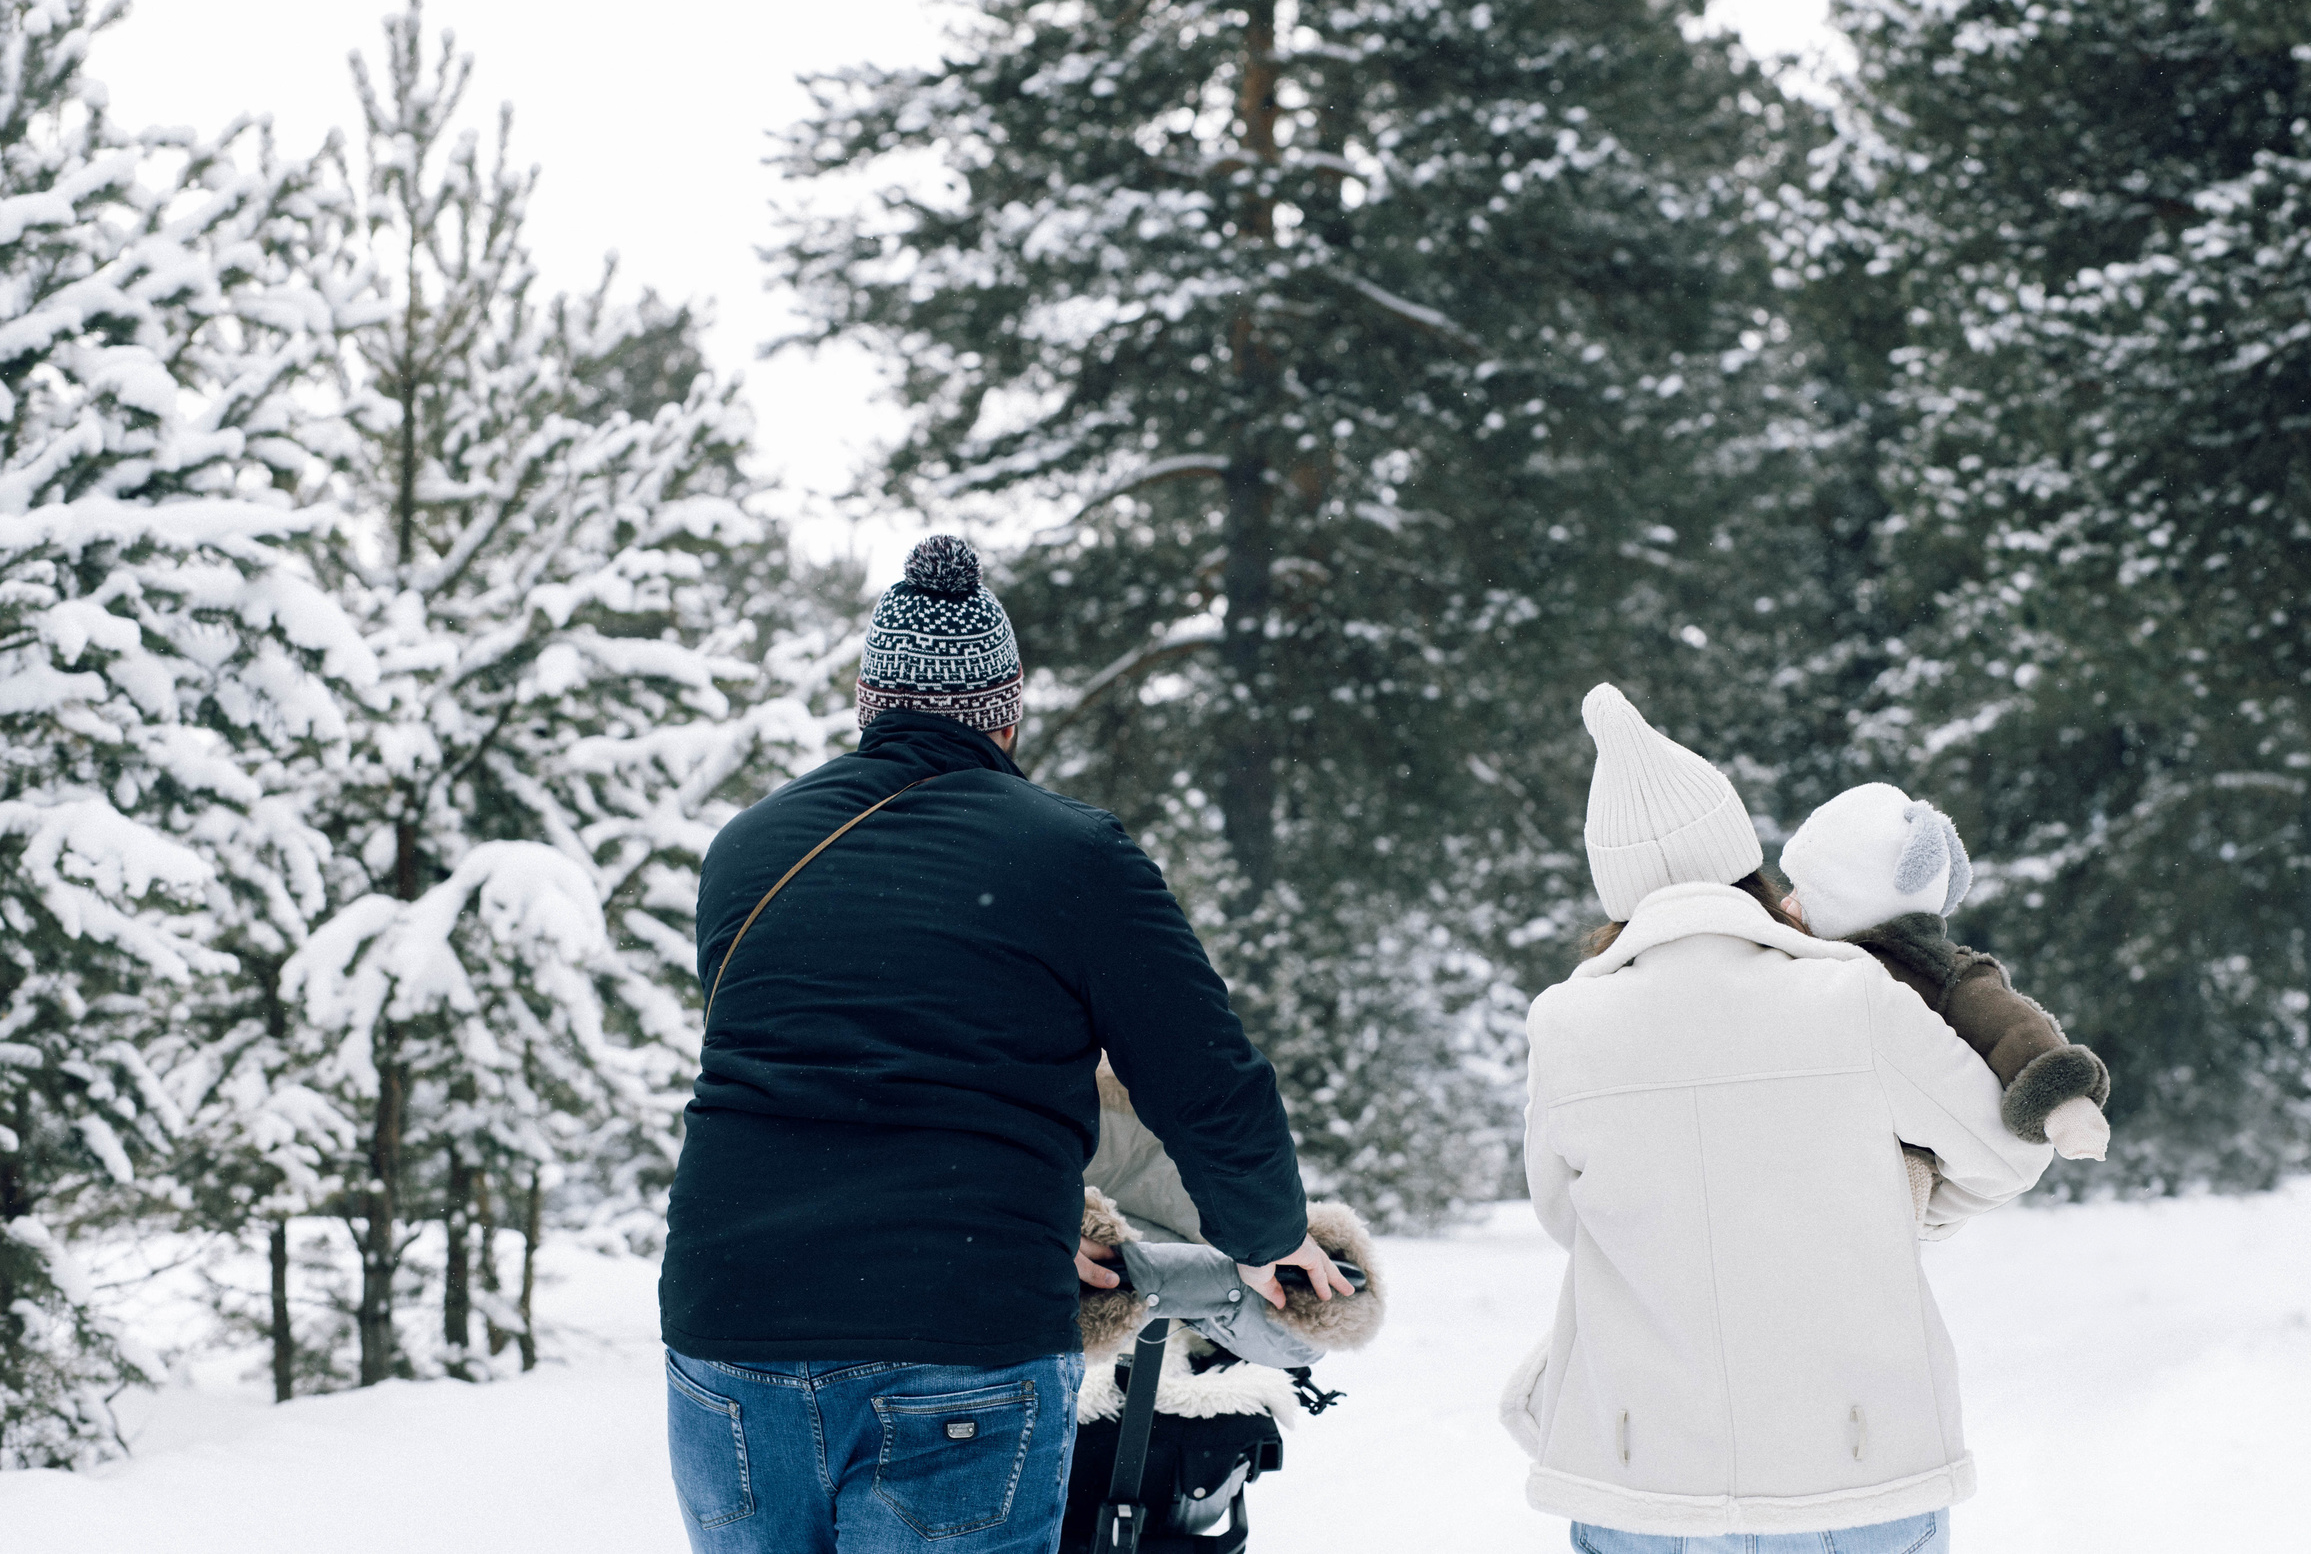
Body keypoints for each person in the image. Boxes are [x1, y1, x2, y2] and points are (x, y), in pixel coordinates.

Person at [658, 535, 1346, 1554]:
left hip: (731, 1325)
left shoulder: (749, 848)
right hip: (959, 1326)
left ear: (868, 699)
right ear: (1008, 706)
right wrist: (1270, 1234)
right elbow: (1203, 1079)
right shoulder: (1074, 855)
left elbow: (815, 1071)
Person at [1501, 684, 2053, 1552]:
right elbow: (2010, 1147)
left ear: (1617, 888)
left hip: (1646, 1485)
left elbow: (1568, 1219)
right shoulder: (1849, 993)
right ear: (1743, 855)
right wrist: (1901, 1200)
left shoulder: (1564, 1026)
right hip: (1859, 1473)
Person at [1779, 783, 2113, 1171]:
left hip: (1899, 1139)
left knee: (1903, 1169)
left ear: (1853, 894)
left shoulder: (1929, 968)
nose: (1786, 903)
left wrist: (2062, 1099)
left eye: (1802, 892)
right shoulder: (1803, 956)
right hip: (1822, 1138)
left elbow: (2007, 1022)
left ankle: (1918, 1174)